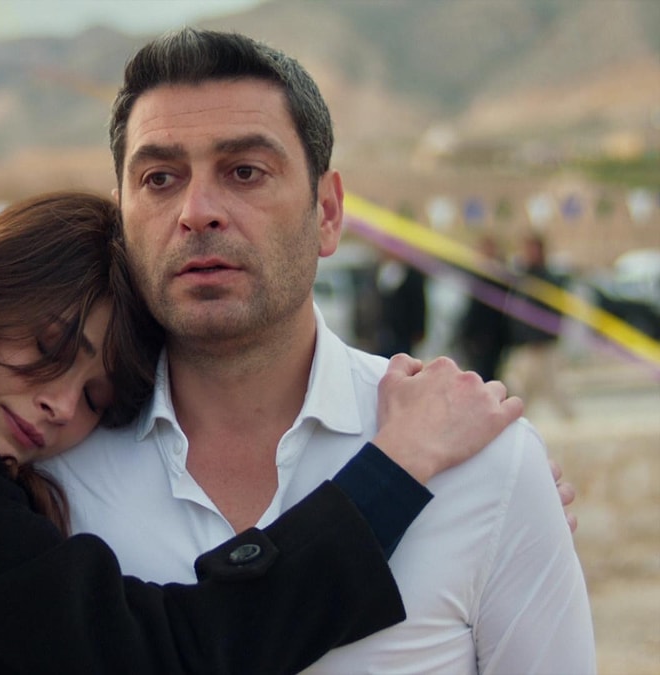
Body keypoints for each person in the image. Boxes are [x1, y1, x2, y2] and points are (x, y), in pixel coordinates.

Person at [0, 191, 523, 673]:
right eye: (50, 348)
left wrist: (478, 500)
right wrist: (396, 469)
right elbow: (171, 653)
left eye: (97, 395)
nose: (61, 404)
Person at [43, 29, 594, 674]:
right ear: (121, 222)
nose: (197, 211)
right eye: (159, 178)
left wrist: (510, 487)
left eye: (245, 172)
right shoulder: (49, 479)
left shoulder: (486, 465)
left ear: (327, 212)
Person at [504, 232, 576, 419]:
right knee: (520, 387)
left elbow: (555, 312)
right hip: (526, 345)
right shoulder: (521, 279)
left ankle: (571, 420)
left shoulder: (549, 279)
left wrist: (545, 336)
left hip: (544, 345)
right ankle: (515, 419)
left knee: (554, 387)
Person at [457, 235, 512, 381]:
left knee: (486, 374)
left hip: (490, 336)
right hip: (476, 335)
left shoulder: (498, 276)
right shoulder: (478, 275)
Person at [374, 250, 427, 358]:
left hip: (403, 333)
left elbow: (418, 306)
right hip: (383, 333)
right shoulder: (380, 271)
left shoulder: (413, 275)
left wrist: (419, 331)